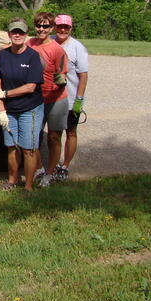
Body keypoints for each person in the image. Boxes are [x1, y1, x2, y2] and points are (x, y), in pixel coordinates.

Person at [0, 18, 45, 191]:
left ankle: (28, 185)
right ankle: (12, 180)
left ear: (25, 35)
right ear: (8, 34)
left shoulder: (32, 56)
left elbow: (31, 87)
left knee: (29, 149)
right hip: (9, 110)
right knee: (11, 147)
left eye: (21, 32)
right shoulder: (2, 55)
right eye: (14, 32)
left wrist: (6, 94)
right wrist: (1, 110)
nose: (17, 35)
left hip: (30, 109)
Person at [27, 12, 69, 188]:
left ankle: (49, 174)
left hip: (56, 99)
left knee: (53, 137)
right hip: (35, 98)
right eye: (39, 25)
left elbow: (62, 73)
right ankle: (38, 168)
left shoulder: (57, 49)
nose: (41, 29)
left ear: (51, 28)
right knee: (32, 138)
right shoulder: (29, 43)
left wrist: (60, 80)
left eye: (45, 26)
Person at [53, 14, 89, 182]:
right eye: (59, 26)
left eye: (66, 27)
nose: (62, 29)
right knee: (53, 134)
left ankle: (65, 166)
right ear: (54, 27)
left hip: (71, 98)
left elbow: (83, 76)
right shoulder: (49, 41)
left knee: (71, 132)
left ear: (70, 29)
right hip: (51, 97)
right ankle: (51, 165)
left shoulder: (77, 47)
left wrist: (79, 100)